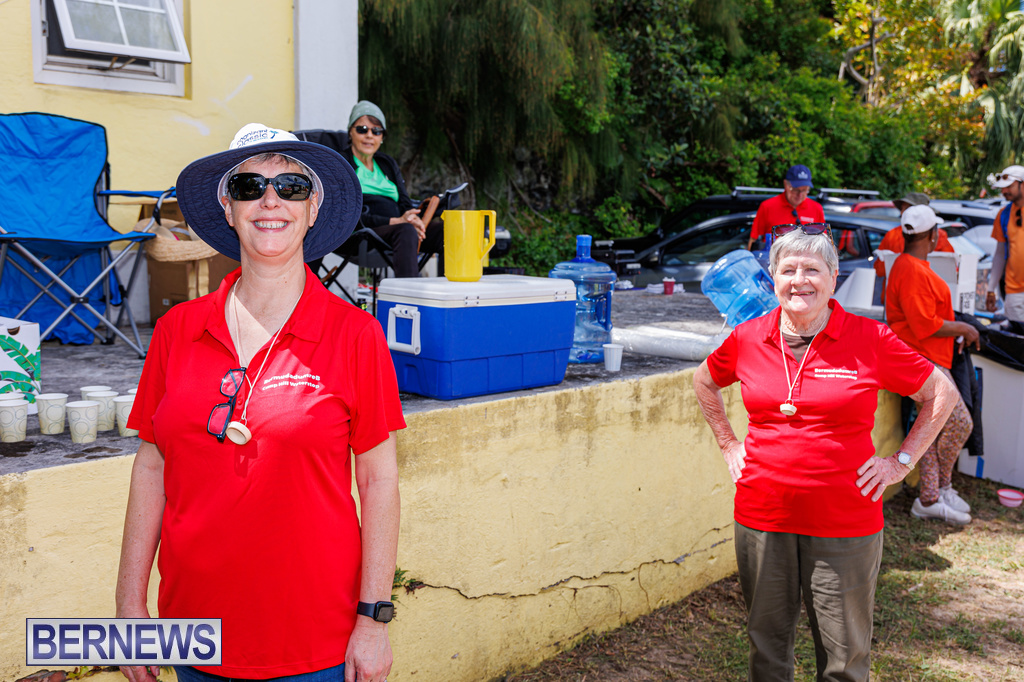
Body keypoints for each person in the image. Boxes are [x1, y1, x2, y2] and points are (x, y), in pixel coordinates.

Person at [116, 123, 405, 682]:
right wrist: (130, 607)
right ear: (228, 208)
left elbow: (379, 481)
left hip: (315, 642)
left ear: (313, 208)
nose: (270, 200)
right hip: (194, 634)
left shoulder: (356, 335)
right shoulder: (176, 330)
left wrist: (373, 620)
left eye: (292, 186)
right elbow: (151, 468)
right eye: (249, 186)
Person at [693, 222, 960, 681]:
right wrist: (728, 443)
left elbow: (941, 393)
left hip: (844, 521)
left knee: (844, 658)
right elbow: (704, 381)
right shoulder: (748, 337)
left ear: (834, 278)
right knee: (766, 648)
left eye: (812, 270)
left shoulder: (869, 339)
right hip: (763, 515)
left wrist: (901, 462)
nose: (800, 281)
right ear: (772, 278)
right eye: (788, 270)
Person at [886, 205, 980, 524]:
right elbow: (923, 323)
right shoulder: (910, 268)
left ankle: (935, 492)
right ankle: (933, 494)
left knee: (935, 424)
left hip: (928, 357)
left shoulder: (911, 265)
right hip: (918, 359)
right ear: (933, 235)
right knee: (958, 423)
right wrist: (964, 328)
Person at [342, 100, 443, 277]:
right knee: (405, 231)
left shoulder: (386, 163)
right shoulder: (342, 163)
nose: (369, 135)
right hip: (360, 234)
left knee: (446, 231)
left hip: (400, 230)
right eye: (362, 129)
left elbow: (404, 201)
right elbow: (345, 213)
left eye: (376, 131)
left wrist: (412, 218)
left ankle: (451, 291)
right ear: (351, 132)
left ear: (382, 137)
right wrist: (394, 222)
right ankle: (408, 293)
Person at [872, 193, 954, 303]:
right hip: (921, 299)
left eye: (906, 209)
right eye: (903, 209)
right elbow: (951, 270)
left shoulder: (893, 235)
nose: (902, 213)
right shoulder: (892, 235)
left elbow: (950, 268)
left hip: (906, 299)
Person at [746, 164, 824, 251]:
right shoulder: (767, 206)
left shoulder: (816, 209)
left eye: (805, 190)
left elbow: (823, 243)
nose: (800, 195)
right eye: (796, 190)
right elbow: (754, 240)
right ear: (786, 184)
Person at [986, 165, 1024, 322]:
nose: (1004, 191)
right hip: (1014, 292)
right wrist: (991, 289)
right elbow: (1000, 254)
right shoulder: (1004, 215)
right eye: (1003, 188)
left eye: (1009, 186)